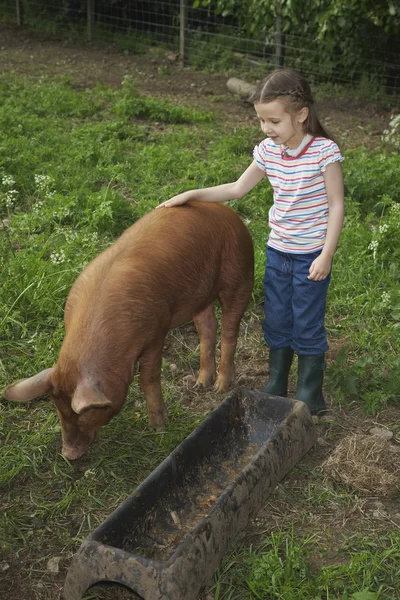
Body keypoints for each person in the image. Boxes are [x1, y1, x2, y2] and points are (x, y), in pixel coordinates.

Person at [157, 67, 344, 416]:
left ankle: (309, 391)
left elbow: (336, 205)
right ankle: (276, 380)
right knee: (275, 316)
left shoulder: (323, 152)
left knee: (306, 319)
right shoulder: (268, 152)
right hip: (278, 252)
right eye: (261, 121)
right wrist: (190, 194)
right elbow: (237, 188)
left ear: (301, 115)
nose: (266, 129)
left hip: (310, 256)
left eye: (273, 121)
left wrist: (326, 254)